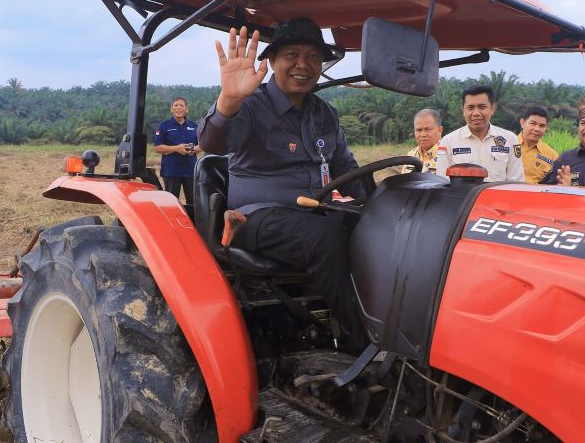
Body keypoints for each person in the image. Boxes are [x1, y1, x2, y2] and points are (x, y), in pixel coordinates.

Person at [197, 18, 367, 352]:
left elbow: (346, 168)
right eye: (292, 54)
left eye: (314, 57)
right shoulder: (251, 105)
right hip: (255, 217)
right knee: (325, 237)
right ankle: (361, 343)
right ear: (272, 61)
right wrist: (228, 101)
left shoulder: (325, 114)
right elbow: (212, 142)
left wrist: (375, 205)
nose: (303, 64)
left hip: (314, 213)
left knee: (382, 228)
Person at [436, 85, 524, 182]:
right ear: (463, 110)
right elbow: (442, 181)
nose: (476, 113)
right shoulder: (448, 141)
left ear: (492, 108)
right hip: (463, 197)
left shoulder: (510, 139)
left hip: (500, 197)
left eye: (482, 107)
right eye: (470, 108)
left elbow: (516, 182)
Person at [154, 97, 200, 205]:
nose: (178, 108)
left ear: (186, 109)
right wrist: (176, 148)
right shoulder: (164, 126)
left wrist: (193, 149)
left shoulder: (194, 126)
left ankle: (192, 221)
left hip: (191, 170)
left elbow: (202, 145)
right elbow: (158, 147)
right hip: (171, 171)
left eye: (181, 105)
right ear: (171, 109)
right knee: (171, 203)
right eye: (175, 105)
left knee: (193, 202)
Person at [517, 105, 558, 185]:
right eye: (533, 123)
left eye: (542, 126)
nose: (537, 129)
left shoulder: (552, 155)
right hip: (507, 194)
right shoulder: (507, 146)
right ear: (522, 123)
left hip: (537, 196)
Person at [402, 108, 442, 174]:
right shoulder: (411, 155)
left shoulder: (448, 155)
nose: (423, 134)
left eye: (428, 129)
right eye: (419, 130)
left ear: (440, 130)